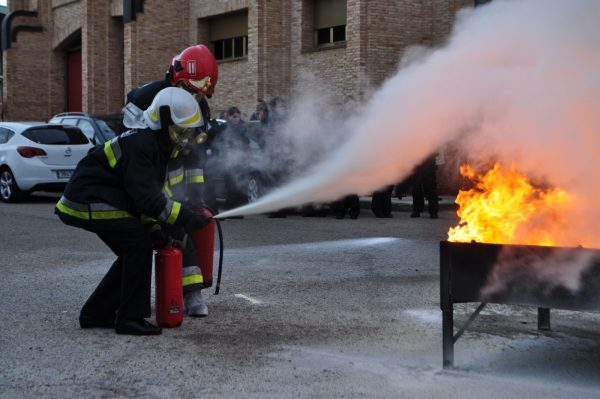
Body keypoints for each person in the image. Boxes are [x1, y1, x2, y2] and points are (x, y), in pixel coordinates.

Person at [55, 87, 212, 335]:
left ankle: (95, 313)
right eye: (178, 131)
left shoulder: (153, 145)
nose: (182, 138)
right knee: (137, 244)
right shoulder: (142, 145)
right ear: (162, 123)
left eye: (186, 133)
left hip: (98, 197)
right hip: (87, 199)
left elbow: (144, 198)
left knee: (133, 249)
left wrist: (159, 229)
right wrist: (186, 218)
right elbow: (148, 200)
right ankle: (130, 318)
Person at [122, 44, 220, 317]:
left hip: (174, 184)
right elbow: (135, 151)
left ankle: (191, 295)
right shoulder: (143, 99)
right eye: (193, 87)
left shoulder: (200, 106)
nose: (197, 95)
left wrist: (197, 195)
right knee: (140, 240)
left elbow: (194, 154)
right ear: (177, 76)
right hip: (145, 183)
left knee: (179, 234)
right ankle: (132, 300)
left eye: (202, 89)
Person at [410, 154, 439, 219]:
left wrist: (438, 162)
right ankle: (417, 210)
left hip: (429, 165)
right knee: (416, 189)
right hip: (417, 165)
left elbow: (437, 150)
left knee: (431, 189)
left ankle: (433, 211)